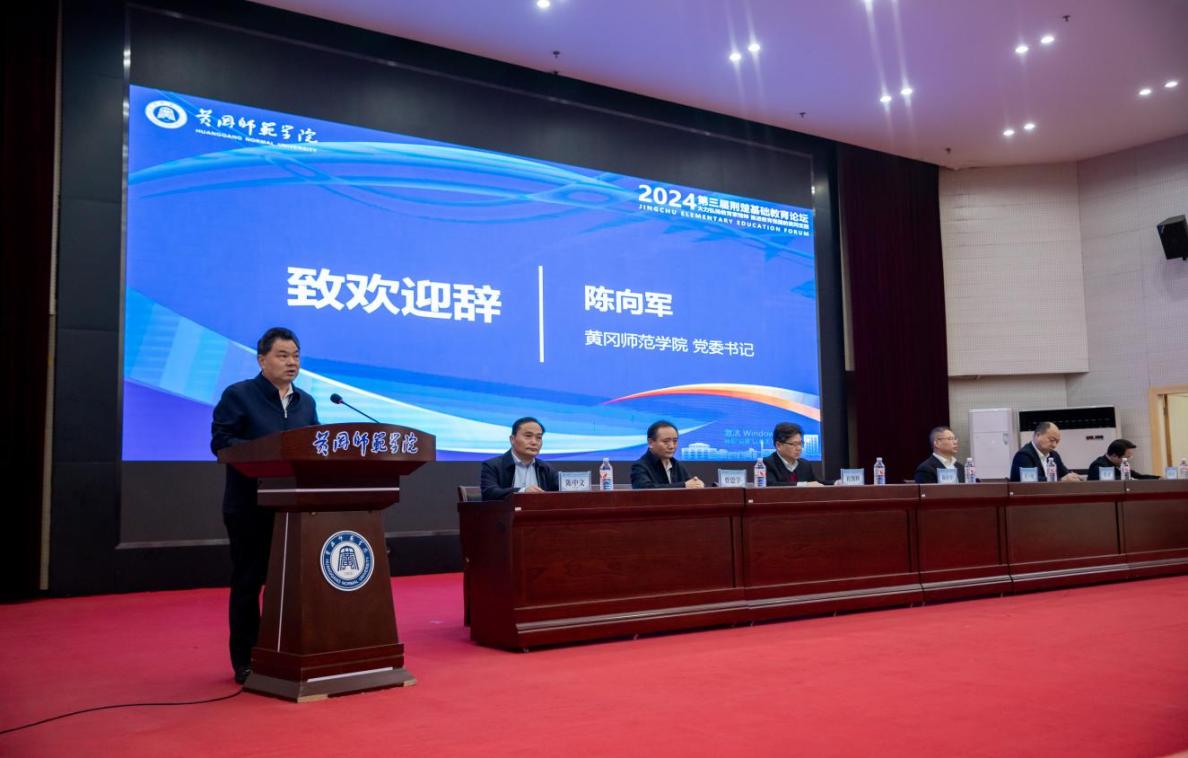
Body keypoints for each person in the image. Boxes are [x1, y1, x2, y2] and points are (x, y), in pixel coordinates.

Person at [211, 327, 320, 685]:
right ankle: (245, 660)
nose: (292, 363)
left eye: (296, 356)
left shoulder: (306, 402)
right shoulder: (239, 395)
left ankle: (284, 653)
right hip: (249, 507)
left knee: (288, 585)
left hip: (294, 510)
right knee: (248, 583)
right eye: (283, 355)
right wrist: (269, 451)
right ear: (262, 360)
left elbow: (315, 446)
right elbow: (221, 443)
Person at [479, 417, 559, 499]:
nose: (534, 442)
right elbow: (489, 493)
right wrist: (522, 491)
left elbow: (561, 492)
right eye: (528, 436)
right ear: (512, 439)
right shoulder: (492, 466)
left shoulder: (545, 468)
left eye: (539, 437)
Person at [631, 420, 704, 489]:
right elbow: (645, 490)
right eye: (666, 441)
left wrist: (696, 484)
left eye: (675, 441)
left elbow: (689, 485)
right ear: (650, 442)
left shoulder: (677, 465)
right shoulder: (639, 466)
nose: (672, 446)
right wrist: (683, 485)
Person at [1009, 421, 1083, 482]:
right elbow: (1031, 482)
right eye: (1052, 440)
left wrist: (1073, 476)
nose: (1054, 445)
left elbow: (1064, 474)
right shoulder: (1024, 455)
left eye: (1057, 442)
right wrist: (1060, 480)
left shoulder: (1054, 455)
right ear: (1038, 435)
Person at [1086, 438, 1159, 480]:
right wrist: (1131, 479)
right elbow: (1111, 481)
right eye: (1126, 458)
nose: (1127, 460)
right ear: (1114, 455)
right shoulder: (1099, 465)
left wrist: (1158, 478)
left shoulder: (1120, 464)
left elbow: (1138, 476)